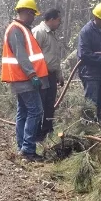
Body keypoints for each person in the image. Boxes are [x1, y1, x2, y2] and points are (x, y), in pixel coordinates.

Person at [1, 0, 49, 161]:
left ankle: (22, 147)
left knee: (23, 112)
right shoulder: (16, 30)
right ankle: (28, 150)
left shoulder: (22, 29)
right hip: (24, 79)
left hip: (23, 79)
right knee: (36, 111)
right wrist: (32, 75)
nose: (34, 17)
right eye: (33, 13)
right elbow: (21, 55)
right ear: (27, 12)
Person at [32, 8, 65, 141]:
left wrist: (59, 74)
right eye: (58, 20)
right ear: (51, 19)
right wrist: (33, 76)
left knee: (49, 105)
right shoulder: (38, 32)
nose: (59, 23)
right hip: (40, 76)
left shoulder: (52, 34)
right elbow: (32, 55)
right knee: (39, 105)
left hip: (51, 76)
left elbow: (54, 58)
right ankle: (36, 135)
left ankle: (48, 132)